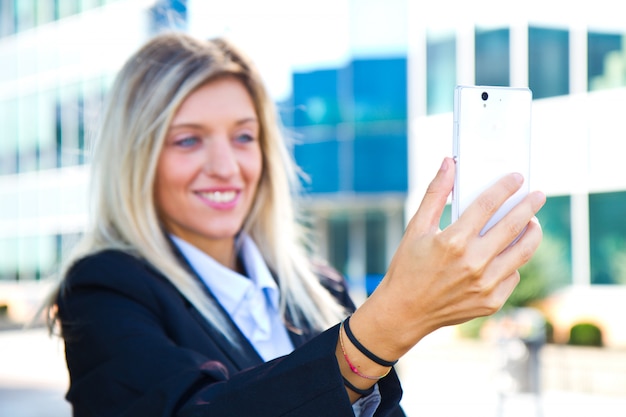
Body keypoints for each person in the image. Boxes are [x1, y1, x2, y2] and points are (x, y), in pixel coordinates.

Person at [46, 32, 546, 417]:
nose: (226, 166)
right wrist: (388, 324)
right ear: (135, 158)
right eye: (187, 140)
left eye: (244, 136)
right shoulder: (103, 291)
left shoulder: (317, 285)